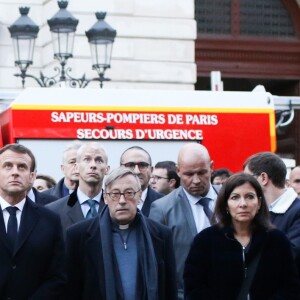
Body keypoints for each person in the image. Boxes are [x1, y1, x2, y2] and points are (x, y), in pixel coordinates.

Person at [65, 167, 178, 300]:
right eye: (115, 194)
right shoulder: (79, 235)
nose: (122, 200)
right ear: (105, 197)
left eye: (129, 193)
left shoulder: (160, 234)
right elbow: (70, 290)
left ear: (139, 195)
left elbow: (170, 289)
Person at [184, 173, 300, 300]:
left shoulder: (277, 240)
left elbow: (290, 287)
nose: (243, 204)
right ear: (226, 204)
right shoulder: (205, 240)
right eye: (235, 197)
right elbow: (194, 286)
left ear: (259, 203)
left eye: (250, 197)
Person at [149, 142, 219, 299]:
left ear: (212, 167)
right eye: (188, 174)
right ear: (178, 171)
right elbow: (155, 264)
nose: (196, 180)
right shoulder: (162, 209)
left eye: (202, 173)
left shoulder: (231, 198)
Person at [0, 144, 65, 299]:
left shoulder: (50, 220)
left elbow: (58, 276)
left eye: (22, 167)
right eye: (7, 166)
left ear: (32, 176)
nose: (15, 172)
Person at [244, 152, 300, 272]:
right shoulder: (257, 211)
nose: (244, 184)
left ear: (263, 178)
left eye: (247, 178)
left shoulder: (297, 211)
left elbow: (288, 255)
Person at [46, 142, 109, 236]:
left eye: (99, 160)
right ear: (76, 167)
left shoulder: (115, 207)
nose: (93, 165)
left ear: (107, 169)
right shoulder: (53, 211)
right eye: (87, 160)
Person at [120, 146, 163, 216]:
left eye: (142, 165)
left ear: (151, 170)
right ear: (120, 169)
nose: (136, 171)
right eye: (130, 165)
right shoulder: (110, 202)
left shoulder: (164, 203)